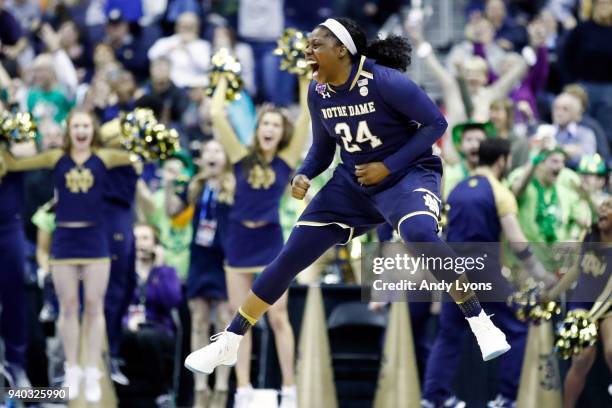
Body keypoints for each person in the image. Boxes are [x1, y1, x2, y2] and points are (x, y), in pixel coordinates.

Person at [185, 17, 512, 380]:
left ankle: (480, 321)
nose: (308, 52)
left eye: (315, 45)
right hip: (353, 182)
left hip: (407, 174)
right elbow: (323, 150)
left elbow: (436, 124)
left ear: (341, 51)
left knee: (420, 234)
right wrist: (305, 173)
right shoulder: (317, 92)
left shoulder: (385, 81)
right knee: (290, 256)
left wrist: (387, 167)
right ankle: (230, 341)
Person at [193, 68, 310, 407]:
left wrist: (304, 76)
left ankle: (289, 390)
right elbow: (216, 113)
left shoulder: (287, 159)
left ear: (281, 131)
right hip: (239, 242)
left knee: (278, 317)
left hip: (271, 241)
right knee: (237, 320)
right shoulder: (240, 158)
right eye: (265, 124)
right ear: (257, 130)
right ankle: (243, 390)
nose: (270, 129)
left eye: (275, 125)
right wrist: (224, 81)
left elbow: (306, 114)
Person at [1, 109, 133, 403]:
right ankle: (72, 368)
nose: (82, 130)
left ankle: (92, 371)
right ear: (68, 130)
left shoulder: (105, 157)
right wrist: (5, 139)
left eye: (86, 124)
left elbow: (140, 155)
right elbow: (15, 163)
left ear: (93, 129)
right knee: (69, 307)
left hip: (96, 239)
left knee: (95, 307)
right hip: (64, 239)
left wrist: (137, 135)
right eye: (76, 125)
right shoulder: (55, 157)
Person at [422, 138, 555, 408]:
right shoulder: (500, 192)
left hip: (454, 273)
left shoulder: (456, 190)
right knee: (516, 328)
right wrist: (542, 275)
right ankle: (507, 398)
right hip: (486, 272)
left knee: (450, 333)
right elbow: (518, 244)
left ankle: (434, 397)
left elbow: (441, 235)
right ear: (502, 161)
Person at [174, 140, 234, 407]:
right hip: (200, 257)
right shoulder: (196, 186)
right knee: (198, 319)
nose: (211, 155)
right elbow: (170, 211)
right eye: (207, 151)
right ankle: (200, 387)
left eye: (217, 151)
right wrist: (169, 183)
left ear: (226, 158)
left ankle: (221, 387)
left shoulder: (233, 187)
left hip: (225, 258)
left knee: (224, 322)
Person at [543, 197, 612, 408]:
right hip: (582, 302)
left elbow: (609, 292)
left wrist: (591, 320)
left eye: (609, 206)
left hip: (607, 306)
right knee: (582, 357)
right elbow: (575, 269)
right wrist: (552, 293)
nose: (602, 207)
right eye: (602, 205)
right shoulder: (589, 235)